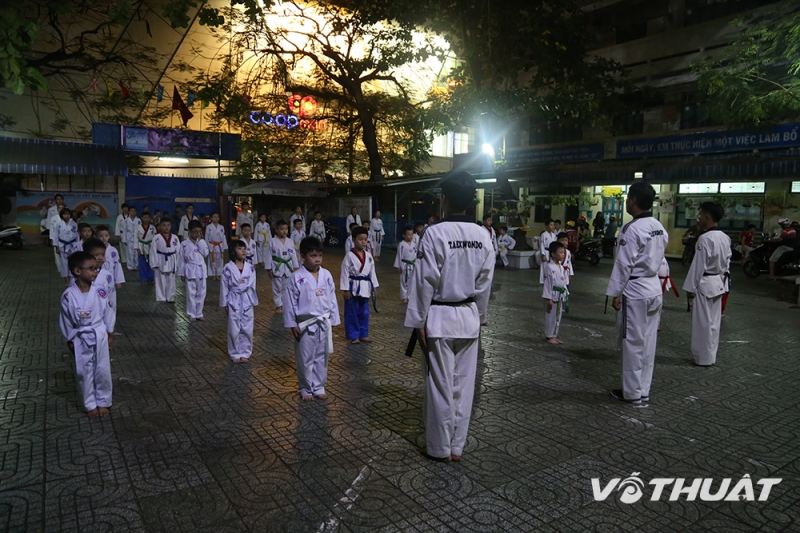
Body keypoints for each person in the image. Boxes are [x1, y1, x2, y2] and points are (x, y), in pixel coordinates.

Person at [404, 171, 495, 462]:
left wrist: (418, 321)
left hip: (440, 318)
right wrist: (479, 316)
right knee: (464, 386)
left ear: (445, 199)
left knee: (440, 386)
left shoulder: (435, 233)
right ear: (470, 201)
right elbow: (484, 283)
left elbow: (423, 281)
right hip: (468, 316)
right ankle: (457, 447)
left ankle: (439, 448)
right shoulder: (483, 235)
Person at [606, 182, 668, 407]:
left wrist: (615, 293)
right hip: (653, 288)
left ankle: (631, 392)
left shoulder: (632, 229)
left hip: (635, 291)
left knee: (632, 342)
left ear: (632, 200)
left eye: (628, 197)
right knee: (649, 342)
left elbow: (623, 265)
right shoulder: (659, 226)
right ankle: (643, 389)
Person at [284, 236, 341, 400]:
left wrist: (334, 320)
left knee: (322, 356)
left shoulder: (327, 275)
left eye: (320, 256)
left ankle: (319, 385)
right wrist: (291, 323)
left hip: (323, 321)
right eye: (313, 256)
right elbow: (290, 302)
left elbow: (332, 298)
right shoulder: (296, 277)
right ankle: (305, 387)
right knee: (305, 357)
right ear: (303, 256)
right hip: (304, 323)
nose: (317, 260)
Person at [59, 251, 113, 416]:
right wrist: (69, 338)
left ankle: (103, 400)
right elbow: (65, 319)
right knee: (84, 372)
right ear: (77, 271)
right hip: (80, 336)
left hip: (98, 332)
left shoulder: (100, 291)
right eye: (90, 269)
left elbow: (107, 313)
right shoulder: (68, 295)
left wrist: (109, 333)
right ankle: (89, 404)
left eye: (96, 268)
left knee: (102, 369)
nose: (95, 272)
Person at [683, 202, 731, 367]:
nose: (699, 217)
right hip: (719, 282)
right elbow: (727, 263)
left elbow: (698, 266)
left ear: (707, 216)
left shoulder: (704, 239)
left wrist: (690, 288)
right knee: (714, 323)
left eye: (701, 214)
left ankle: (702, 358)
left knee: (702, 323)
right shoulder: (725, 237)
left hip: (705, 283)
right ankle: (710, 357)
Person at [220, 240, 258, 363]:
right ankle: (235, 353)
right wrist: (225, 303)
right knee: (234, 327)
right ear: (233, 251)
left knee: (247, 327)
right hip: (234, 299)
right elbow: (224, 286)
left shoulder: (250, 267)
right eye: (240, 248)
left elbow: (253, 285)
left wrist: (252, 300)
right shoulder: (228, 268)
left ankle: (246, 352)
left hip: (246, 298)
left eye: (244, 248)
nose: (243, 251)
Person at [340, 227, 378, 344]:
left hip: (365, 286)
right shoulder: (349, 256)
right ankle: (354, 335)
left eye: (365, 239)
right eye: (360, 239)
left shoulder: (369, 255)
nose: (363, 241)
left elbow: (372, 272)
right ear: (353, 240)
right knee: (352, 312)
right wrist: (345, 290)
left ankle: (364, 334)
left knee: (365, 312)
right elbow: (344, 273)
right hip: (353, 287)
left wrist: (375, 286)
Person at [266, 220, 299, 312]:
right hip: (277, 266)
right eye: (281, 229)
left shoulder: (290, 241)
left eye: (286, 229)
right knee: (277, 287)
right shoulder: (272, 241)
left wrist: (295, 266)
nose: (284, 231)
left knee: (287, 287)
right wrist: (268, 269)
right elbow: (268, 256)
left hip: (288, 267)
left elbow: (293, 254)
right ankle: (278, 305)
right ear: (276, 230)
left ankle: (285, 303)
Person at [96, 225, 125, 325]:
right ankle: (100, 325)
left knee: (112, 304)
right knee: (99, 304)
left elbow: (117, 265)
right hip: (98, 282)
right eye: (101, 236)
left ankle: (110, 327)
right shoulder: (94, 250)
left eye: (106, 235)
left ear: (109, 236)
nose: (104, 238)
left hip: (110, 282)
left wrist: (118, 280)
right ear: (97, 237)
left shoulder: (113, 250)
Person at [181, 220, 210, 320]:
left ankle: (199, 313)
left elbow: (206, 254)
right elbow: (181, 259)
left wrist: (200, 242)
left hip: (201, 270)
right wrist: (182, 273)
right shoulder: (184, 244)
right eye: (194, 232)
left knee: (201, 293)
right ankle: (191, 313)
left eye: (199, 232)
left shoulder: (202, 242)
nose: (196, 234)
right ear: (189, 232)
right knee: (191, 293)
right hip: (190, 270)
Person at [149, 217, 181, 303]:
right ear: (160, 226)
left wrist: (178, 263)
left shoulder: (175, 237)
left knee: (171, 279)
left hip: (172, 259)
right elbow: (153, 251)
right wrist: (154, 263)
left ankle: (171, 297)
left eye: (168, 225)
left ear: (171, 226)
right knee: (160, 279)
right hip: (160, 259)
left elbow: (178, 251)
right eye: (164, 225)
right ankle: (161, 297)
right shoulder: (156, 237)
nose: (166, 227)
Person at [543, 241, 569, 345]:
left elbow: (563, 282)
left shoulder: (561, 267)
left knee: (558, 316)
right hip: (552, 295)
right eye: (560, 252)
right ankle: (549, 335)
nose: (563, 255)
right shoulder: (549, 267)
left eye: (563, 253)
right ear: (553, 254)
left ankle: (554, 335)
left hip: (560, 294)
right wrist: (548, 298)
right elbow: (547, 284)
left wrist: (566, 293)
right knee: (551, 316)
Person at [53, 208, 80, 281]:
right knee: (63, 262)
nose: (66, 216)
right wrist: (56, 247)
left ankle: (72, 277)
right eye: (64, 214)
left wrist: (78, 245)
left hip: (72, 245)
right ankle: (65, 278)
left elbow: (77, 235)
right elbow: (55, 236)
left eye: (68, 214)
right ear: (61, 215)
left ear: (70, 215)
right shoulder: (58, 224)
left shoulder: (74, 223)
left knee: (72, 261)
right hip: (62, 245)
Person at [394, 225, 417, 303]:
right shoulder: (402, 244)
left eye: (412, 234)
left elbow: (416, 255)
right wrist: (398, 266)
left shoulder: (414, 244)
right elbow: (399, 255)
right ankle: (404, 296)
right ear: (404, 235)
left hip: (413, 265)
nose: (410, 236)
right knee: (404, 281)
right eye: (408, 234)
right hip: (404, 265)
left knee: (412, 281)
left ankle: (410, 296)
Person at [205, 212, 227, 280]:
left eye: (217, 217)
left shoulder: (221, 227)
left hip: (219, 245)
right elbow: (206, 237)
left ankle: (219, 274)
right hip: (212, 245)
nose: (216, 218)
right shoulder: (208, 227)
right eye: (214, 217)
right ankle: (213, 274)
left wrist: (224, 247)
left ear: (219, 218)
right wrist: (208, 247)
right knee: (212, 260)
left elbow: (223, 237)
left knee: (219, 260)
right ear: (211, 218)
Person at [136, 212, 156, 283]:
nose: (146, 219)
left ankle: (151, 277)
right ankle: (143, 278)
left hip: (150, 246)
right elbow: (135, 238)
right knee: (142, 263)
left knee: (151, 263)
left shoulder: (152, 227)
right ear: (141, 218)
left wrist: (155, 247)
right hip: (141, 246)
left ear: (150, 218)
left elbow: (155, 238)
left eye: (147, 217)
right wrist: (137, 248)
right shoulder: (138, 227)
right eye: (144, 217)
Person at [538, 219, 558, 284]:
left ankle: (551, 278)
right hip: (546, 252)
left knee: (552, 266)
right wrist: (543, 254)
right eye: (551, 225)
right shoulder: (543, 234)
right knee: (544, 266)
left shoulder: (554, 235)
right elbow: (541, 245)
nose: (553, 226)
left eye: (553, 225)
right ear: (547, 226)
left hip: (552, 253)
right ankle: (543, 280)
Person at [124, 206, 140, 271]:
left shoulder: (138, 220)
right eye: (131, 211)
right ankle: (130, 266)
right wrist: (124, 239)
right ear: (129, 212)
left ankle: (136, 265)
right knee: (129, 253)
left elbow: (140, 230)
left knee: (136, 253)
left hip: (136, 238)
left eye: (134, 211)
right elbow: (124, 230)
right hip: (129, 237)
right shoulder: (126, 220)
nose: (133, 212)